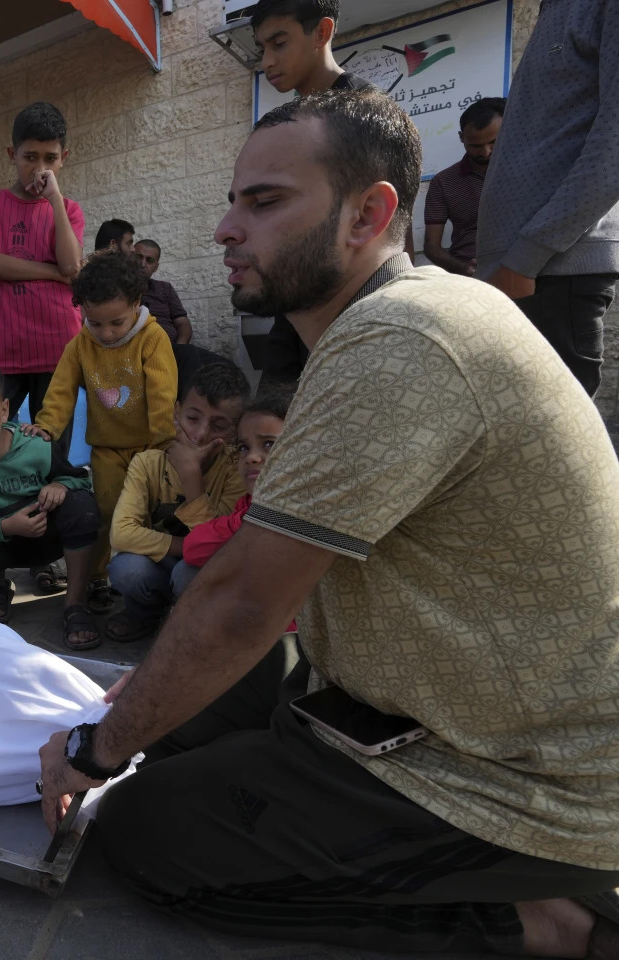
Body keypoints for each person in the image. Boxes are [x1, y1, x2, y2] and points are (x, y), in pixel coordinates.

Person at [39, 90, 619, 957]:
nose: (227, 229)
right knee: (173, 718)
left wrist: (92, 751)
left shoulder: (405, 337)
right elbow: (260, 594)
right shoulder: (384, 323)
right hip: (422, 693)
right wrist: (153, 699)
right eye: (234, 200)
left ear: (369, 213)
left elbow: (241, 602)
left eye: (265, 201)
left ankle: (545, 920)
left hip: (511, 771)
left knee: (146, 832)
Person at [476, 0, 618, 398]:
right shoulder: (553, 11)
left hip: (549, 271)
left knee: (558, 449)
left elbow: (613, 149)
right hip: (523, 270)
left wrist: (526, 258)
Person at [22, 252, 177, 612]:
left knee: (154, 514)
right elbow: (60, 391)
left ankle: (154, 585)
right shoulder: (80, 344)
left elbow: (162, 395)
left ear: (137, 304)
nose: (106, 333)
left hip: (151, 448)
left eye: (116, 323)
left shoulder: (153, 339)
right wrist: (46, 426)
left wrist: (164, 446)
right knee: (106, 514)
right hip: (106, 449)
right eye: (96, 323)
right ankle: (97, 579)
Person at [249, 0, 376, 392]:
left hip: (348, 300)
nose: (268, 61)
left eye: (279, 43)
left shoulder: (364, 111)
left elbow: (386, 218)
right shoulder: (289, 121)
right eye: (262, 49)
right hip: (291, 297)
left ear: (322, 32)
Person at [0, 357, 102, 649]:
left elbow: (79, 481)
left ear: (4, 410)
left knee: (83, 508)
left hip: (43, 537)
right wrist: (5, 526)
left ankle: (75, 603)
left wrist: (59, 485)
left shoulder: (35, 445)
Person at [103, 361, 247, 643]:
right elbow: (120, 534)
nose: (202, 433)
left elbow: (219, 551)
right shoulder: (147, 463)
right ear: (176, 412)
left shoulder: (235, 472)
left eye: (219, 425)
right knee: (127, 569)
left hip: (200, 570)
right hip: (160, 566)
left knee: (187, 573)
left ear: (235, 431)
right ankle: (146, 615)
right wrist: (187, 546)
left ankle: (190, 625)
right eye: (193, 418)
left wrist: (191, 476)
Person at [0, 102, 85, 444]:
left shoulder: (68, 209)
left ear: (64, 157)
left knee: (51, 449)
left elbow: (71, 266)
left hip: (59, 348)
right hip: (5, 350)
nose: (40, 168)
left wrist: (54, 199)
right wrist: (52, 273)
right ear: (12, 154)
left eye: (50, 158)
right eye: (30, 157)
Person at [180, 385, 292, 570]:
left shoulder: (297, 511)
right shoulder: (247, 508)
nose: (251, 457)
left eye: (269, 444)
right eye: (244, 448)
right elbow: (193, 547)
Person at [423, 97, 504, 277]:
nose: (486, 152)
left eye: (493, 142)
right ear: (462, 138)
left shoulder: (524, 171)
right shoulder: (443, 182)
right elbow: (431, 247)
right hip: (469, 279)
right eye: (476, 146)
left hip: (523, 269)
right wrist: (464, 268)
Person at [134, 239, 192, 346]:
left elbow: (182, 322)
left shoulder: (165, 288)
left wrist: (181, 348)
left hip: (173, 348)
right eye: (138, 257)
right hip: (140, 349)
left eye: (149, 260)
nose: (142, 264)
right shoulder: (119, 290)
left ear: (156, 267)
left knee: (222, 362)